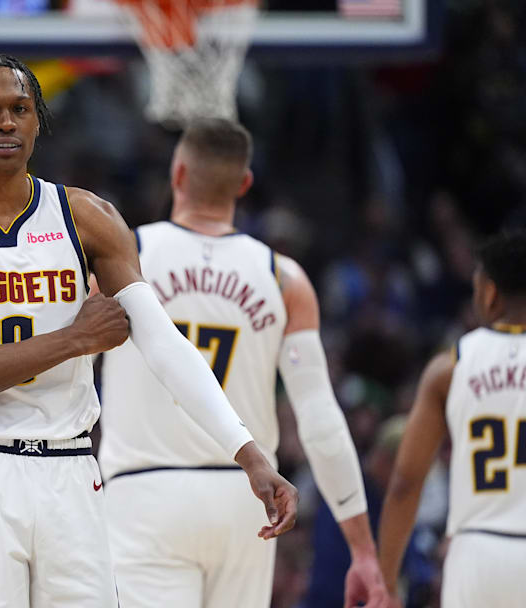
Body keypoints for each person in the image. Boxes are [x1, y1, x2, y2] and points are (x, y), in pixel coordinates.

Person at [0, 54, 298, 607]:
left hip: (69, 471)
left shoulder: (87, 216)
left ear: (37, 121)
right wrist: (74, 339)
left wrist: (248, 452)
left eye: (19, 109)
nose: (6, 122)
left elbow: (164, 343)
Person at [98, 119, 387, 608]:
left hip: (144, 493)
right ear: (245, 184)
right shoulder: (284, 277)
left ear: (177, 173)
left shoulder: (126, 254)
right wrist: (362, 549)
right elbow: (319, 420)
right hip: (249, 496)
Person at [378, 231, 526, 608]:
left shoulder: (450, 367)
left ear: (489, 293)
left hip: (476, 554)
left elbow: (406, 482)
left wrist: (387, 581)